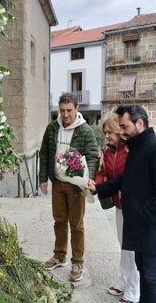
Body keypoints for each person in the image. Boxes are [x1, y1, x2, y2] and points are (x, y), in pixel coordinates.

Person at [87, 105, 156, 303]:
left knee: (153, 279)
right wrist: (99, 188)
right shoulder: (137, 149)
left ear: (140, 123)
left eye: (124, 126)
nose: (121, 132)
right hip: (139, 228)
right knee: (144, 275)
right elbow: (124, 180)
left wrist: (140, 214)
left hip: (153, 231)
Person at [39, 93, 98, 282]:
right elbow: (45, 153)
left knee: (77, 224)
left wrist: (89, 181)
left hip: (76, 187)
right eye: (62, 110)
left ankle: (77, 261)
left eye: (69, 111)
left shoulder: (85, 131)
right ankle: (59, 256)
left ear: (77, 109)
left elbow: (91, 156)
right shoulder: (52, 128)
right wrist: (43, 179)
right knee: (59, 221)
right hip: (57, 183)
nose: (65, 115)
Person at [95, 115, 139, 303]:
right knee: (124, 246)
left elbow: (137, 177)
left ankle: (134, 291)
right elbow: (103, 173)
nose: (107, 136)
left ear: (120, 132)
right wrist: (94, 186)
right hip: (119, 205)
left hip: (134, 207)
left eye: (110, 132)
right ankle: (122, 281)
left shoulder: (131, 151)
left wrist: (126, 189)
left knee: (134, 250)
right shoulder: (108, 152)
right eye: (105, 133)